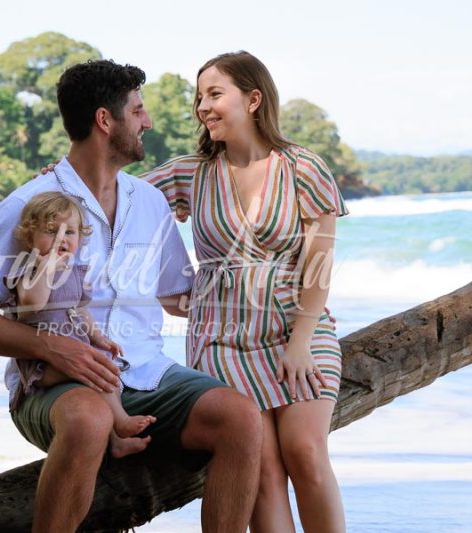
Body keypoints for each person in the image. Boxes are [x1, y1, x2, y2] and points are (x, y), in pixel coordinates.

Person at [0, 59, 262, 533]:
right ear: (104, 120)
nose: (148, 122)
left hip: (146, 373)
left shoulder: (150, 201)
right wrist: (55, 348)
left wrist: (281, 298)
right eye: (137, 111)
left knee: (239, 416)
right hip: (54, 387)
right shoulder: (30, 206)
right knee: (90, 417)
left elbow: (179, 296)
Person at [142, 51, 348, 532]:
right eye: (200, 97)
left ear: (253, 99)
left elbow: (318, 268)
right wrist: (165, 292)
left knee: (305, 450)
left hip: (296, 329)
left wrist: (300, 345)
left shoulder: (303, 167)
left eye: (215, 94)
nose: (203, 107)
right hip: (221, 341)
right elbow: (113, 206)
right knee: (263, 473)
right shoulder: (188, 172)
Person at [7, 190, 156, 457]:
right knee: (95, 375)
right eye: (51, 231)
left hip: (75, 349)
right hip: (42, 363)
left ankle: (117, 441)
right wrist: (45, 268)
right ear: (30, 237)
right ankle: (121, 422)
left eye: (69, 233)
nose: (61, 240)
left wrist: (98, 337)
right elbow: (32, 304)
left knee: (103, 371)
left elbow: (80, 310)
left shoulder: (75, 272)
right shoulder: (28, 268)